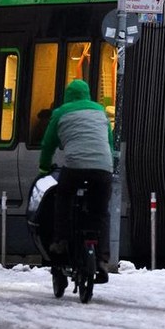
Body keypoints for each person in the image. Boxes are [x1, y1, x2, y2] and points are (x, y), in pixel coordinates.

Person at [38, 79, 116, 281]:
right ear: (88, 94)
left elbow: (48, 144)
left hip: (75, 169)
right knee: (101, 212)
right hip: (102, 168)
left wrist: (44, 167)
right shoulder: (100, 112)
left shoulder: (60, 113)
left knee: (62, 198)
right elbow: (109, 141)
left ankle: (61, 241)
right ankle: (102, 259)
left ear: (68, 96)